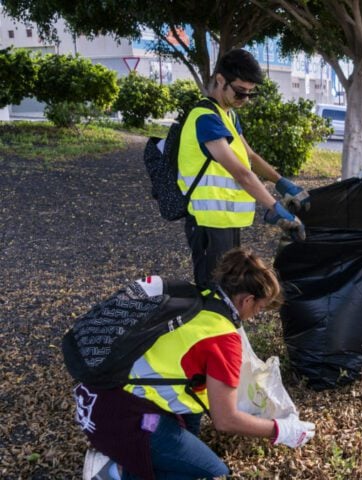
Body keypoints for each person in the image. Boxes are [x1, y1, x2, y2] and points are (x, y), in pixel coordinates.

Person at [77, 247, 316, 479]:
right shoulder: (224, 338)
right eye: (259, 308)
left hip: (97, 392)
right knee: (213, 473)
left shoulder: (198, 296)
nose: (255, 316)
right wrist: (281, 430)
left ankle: (134, 454)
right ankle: (114, 470)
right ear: (247, 300)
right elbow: (225, 420)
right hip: (121, 414)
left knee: (191, 429)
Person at [178, 48, 309, 288]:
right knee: (213, 292)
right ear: (220, 80)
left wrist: (282, 182)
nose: (244, 99)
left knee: (228, 289)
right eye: (240, 92)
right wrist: (275, 208)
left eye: (250, 94)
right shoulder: (205, 118)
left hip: (225, 220)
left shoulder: (227, 115)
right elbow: (241, 173)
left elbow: (250, 156)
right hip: (208, 222)